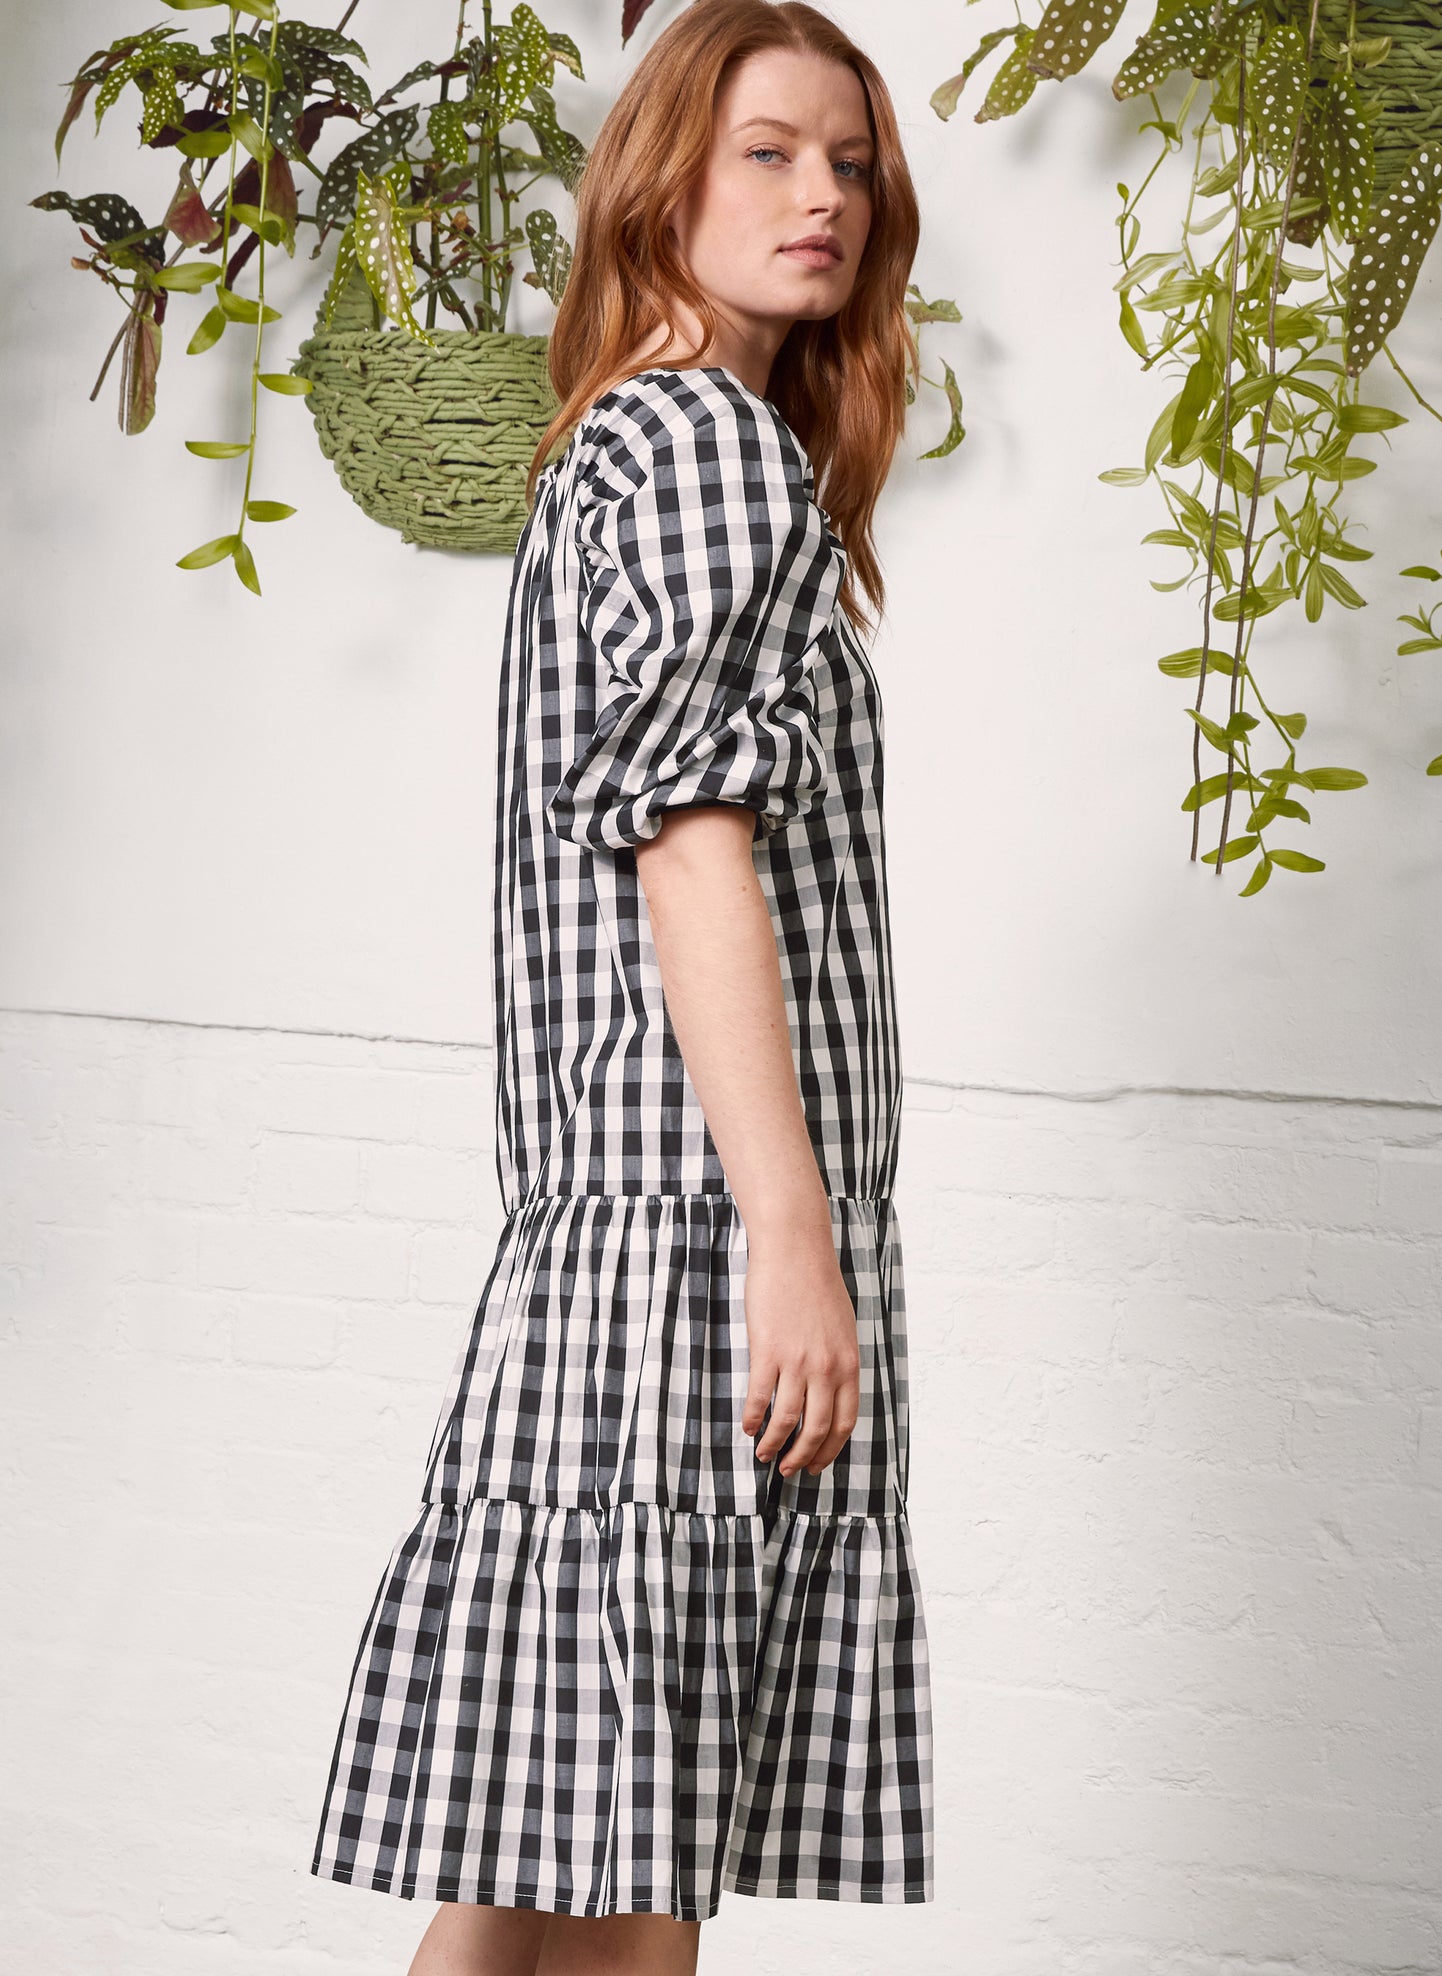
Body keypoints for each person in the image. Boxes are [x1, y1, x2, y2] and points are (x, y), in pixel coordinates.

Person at [309, 3, 933, 1970]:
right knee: (611, 1885)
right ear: (662, 184)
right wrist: (793, 1236)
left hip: (628, 1232)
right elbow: (689, 848)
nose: (823, 197)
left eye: (850, 163)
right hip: (691, 1239)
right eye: (769, 151)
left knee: (560, 1873)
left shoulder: (628, 441)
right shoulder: (702, 448)